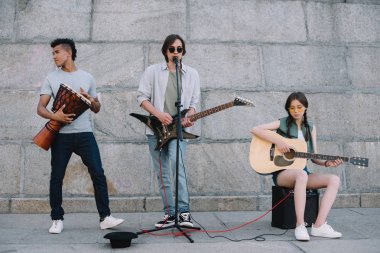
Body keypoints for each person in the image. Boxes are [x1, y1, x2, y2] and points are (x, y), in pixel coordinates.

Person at [37, 38, 124, 234]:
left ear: (68, 53)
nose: (54, 56)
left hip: (85, 134)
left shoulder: (87, 77)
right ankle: (57, 219)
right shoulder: (51, 77)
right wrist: (55, 116)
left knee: (98, 173)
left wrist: (92, 100)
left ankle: (105, 217)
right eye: (53, 53)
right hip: (61, 136)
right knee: (56, 177)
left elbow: (97, 109)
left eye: (56, 52)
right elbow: (40, 108)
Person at [251, 92, 343, 241]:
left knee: (334, 180)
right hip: (283, 174)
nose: (295, 111)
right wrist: (279, 142)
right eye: (292, 108)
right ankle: (300, 225)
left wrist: (327, 163)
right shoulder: (282, 123)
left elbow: (313, 156)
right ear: (288, 109)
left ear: (305, 108)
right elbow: (256, 129)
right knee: (302, 175)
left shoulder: (310, 128)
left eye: (299, 107)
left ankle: (319, 226)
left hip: (303, 173)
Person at [137, 34, 200, 228]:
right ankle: (170, 214)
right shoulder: (152, 71)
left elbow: (193, 103)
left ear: (183, 52)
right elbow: (141, 97)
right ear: (165, 51)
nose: (175, 52)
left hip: (177, 130)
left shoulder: (191, 74)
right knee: (162, 172)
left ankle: (184, 213)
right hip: (156, 129)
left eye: (179, 49)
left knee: (177, 166)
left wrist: (188, 116)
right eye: (171, 49)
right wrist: (158, 114)